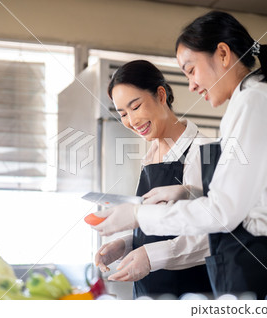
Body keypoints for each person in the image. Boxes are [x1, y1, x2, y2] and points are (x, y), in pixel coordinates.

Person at [91, 11, 267, 300]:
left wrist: (139, 216)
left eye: (191, 69)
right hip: (247, 262)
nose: (191, 85)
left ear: (222, 54)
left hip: (258, 265)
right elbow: (241, 197)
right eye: (122, 113)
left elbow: (222, 212)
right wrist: (187, 194)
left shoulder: (254, 101)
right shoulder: (250, 100)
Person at [94, 60, 213, 299]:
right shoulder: (149, 159)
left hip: (191, 292)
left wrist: (152, 256)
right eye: (123, 114)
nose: (132, 121)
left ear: (160, 95)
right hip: (149, 294)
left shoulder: (202, 151)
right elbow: (163, 226)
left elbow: (211, 235)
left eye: (136, 107)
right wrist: (127, 244)